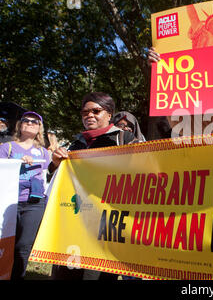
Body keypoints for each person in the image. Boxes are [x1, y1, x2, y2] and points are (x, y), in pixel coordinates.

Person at [49, 92, 137, 280]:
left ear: (109, 114)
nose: (89, 116)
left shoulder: (125, 139)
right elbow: (57, 181)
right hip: (73, 223)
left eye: (95, 111)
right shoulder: (75, 144)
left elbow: (145, 171)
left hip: (107, 225)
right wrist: (56, 164)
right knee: (65, 274)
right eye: (84, 113)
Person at [0, 111, 51, 280]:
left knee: (23, 246)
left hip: (34, 203)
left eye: (34, 122)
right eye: (26, 120)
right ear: (19, 125)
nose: (30, 123)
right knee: (6, 244)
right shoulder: (6, 147)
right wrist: (16, 162)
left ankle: (17, 276)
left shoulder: (44, 152)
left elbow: (50, 174)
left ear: (39, 129)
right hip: (9, 202)